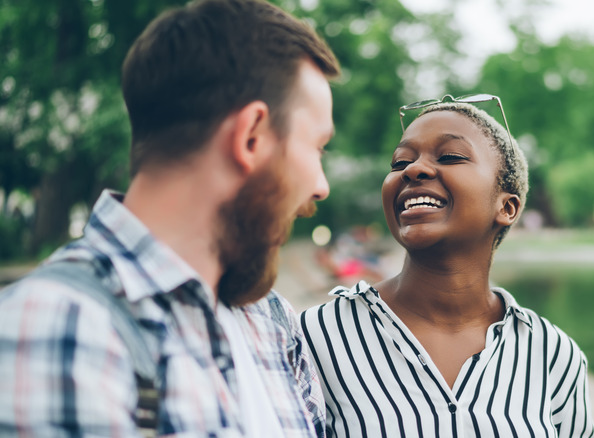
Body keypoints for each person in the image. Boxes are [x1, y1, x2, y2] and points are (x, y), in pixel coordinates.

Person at [0, 0, 339, 436]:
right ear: (251, 136)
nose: (320, 185)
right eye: (316, 147)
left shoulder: (272, 320)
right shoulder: (55, 327)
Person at [301, 95, 594, 437]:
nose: (413, 169)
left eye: (450, 156)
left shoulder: (552, 355)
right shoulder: (316, 338)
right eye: (399, 162)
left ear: (508, 207)